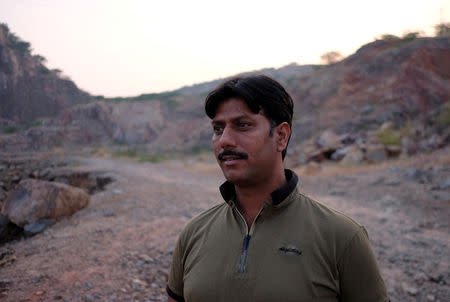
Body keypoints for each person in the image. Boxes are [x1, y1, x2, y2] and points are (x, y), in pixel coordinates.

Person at [167, 75, 389, 302]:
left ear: (281, 136)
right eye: (217, 129)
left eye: (243, 125)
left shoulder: (342, 237)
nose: (225, 140)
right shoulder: (193, 233)